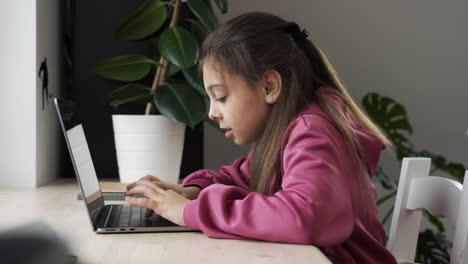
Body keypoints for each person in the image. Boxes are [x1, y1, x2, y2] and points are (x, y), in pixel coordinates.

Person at [125, 12, 398, 263]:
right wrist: (191, 193)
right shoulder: (288, 132)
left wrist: (189, 212)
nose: (211, 112)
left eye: (220, 97)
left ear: (269, 86)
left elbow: (306, 216)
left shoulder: (313, 132)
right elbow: (242, 177)